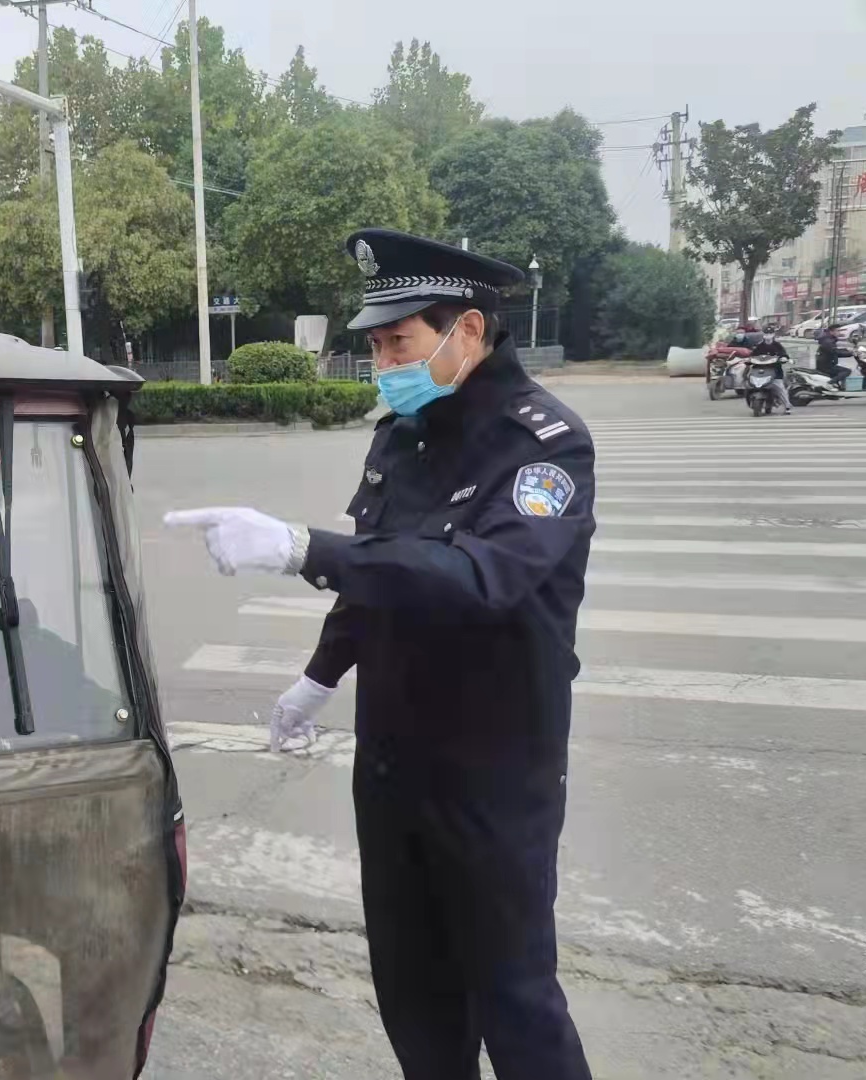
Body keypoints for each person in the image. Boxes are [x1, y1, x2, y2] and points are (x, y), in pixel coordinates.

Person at [166, 228, 595, 1080]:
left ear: (466, 331)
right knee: (412, 988)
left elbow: (479, 578)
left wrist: (302, 548)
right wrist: (317, 678)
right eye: (374, 345)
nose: (382, 363)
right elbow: (380, 571)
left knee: (514, 998)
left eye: (398, 342)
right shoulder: (403, 434)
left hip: (491, 774)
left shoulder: (543, 444)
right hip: (393, 764)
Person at [750, 326, 792, 413]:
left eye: (770, 333)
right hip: (760, 370)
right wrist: (748, 360)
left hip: (775, 371)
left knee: (780, 387)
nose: (768, 335)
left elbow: (784, 354)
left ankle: (787, 406)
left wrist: (784, 358)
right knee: (749, 384)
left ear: (773, 334)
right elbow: (752, 355)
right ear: (763, 335)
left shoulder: (777, 345)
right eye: (766, 333)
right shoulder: (759, 346)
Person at [816, 323, 852, 387]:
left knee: (841, 372)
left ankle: (840, 387)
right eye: (838, 331)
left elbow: (834, 351)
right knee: (847, 371)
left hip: (826, 364)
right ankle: (829, 383)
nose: (839, 332)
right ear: (831, 332)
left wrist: (847, 350)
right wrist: (851, 353)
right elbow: (835, 352)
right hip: (826, 366)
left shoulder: (829, 339)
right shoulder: (828, 341)